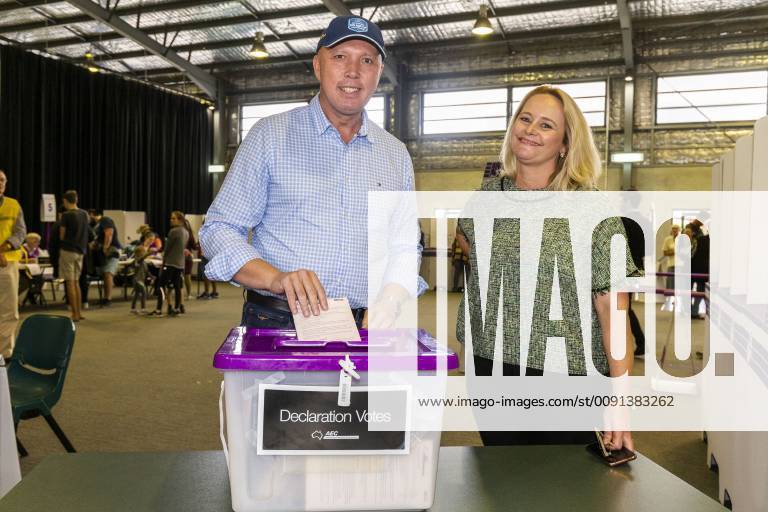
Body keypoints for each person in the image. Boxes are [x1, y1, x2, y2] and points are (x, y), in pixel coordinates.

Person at [200, 15, 423, 329]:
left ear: (379, 72)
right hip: (280, 319)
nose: (353, 72)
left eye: (367, 60)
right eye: (340, 57)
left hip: (367, 327)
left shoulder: (395, 154)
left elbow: (405, 246)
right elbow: (219, 229)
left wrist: (391, 297)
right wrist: (275, 277)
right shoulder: (270, 136)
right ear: (318, 65)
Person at [456, 85, 638, 450]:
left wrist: (620, 402)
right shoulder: (486, 198)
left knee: (565, 489)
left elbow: (612, 312)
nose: (530, 130)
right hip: (490, 368)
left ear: (566, 144)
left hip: (566, 374)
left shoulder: (592, 209)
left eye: (546, 125)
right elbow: (467, 243)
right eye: (524, 119)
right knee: (503, 482)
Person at [0, 170, 27, 361]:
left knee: (9, 310)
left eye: (1, 180)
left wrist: (6, 247)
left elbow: (20, 233)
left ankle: (5, 353)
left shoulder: (13, 205)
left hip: (7, 264)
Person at [148, 211, 189, 317]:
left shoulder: (173, 231)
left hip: (171, 263)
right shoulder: (186, 232)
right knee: (177, 286)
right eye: (171, 218)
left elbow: (167, 249)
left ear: (180, 220)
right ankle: (176, 308)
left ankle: (158, 310)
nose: (171, 220)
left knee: (161, 286)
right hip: (180, 264)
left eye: (173, 218)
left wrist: (164, 261)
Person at [59, 190, 91, 322]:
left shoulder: (66, 215)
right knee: (77, 282)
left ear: (65, 201)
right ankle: (79, 312)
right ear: (76, 200)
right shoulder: (84, 214)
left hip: (68, 250)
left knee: (70, 283)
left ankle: (74, 314)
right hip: (81, 251)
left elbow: (62, 234)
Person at [89, 209, 122, 305]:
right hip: (103, 252)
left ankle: (108, 299)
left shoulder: (105, 220)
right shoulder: (96, 225)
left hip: (111, 250)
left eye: (89, 216)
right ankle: (105, 297)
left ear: (92, 214)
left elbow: (109, 233)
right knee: (104, 274)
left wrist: (105, 248)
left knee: (108, 273)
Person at [130, 245, 150, 315]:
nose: (144, 253)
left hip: (141, 280)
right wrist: (149, 253)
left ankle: (133, 308)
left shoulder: (144, 263)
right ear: (138, 253)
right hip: (137, 280)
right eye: (143, 252)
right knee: (144, 292)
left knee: (137, 294)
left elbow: (147, 271)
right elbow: (142, 258)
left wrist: (151, 276)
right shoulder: (137, 261)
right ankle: (143, 308)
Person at [182, 218, 198, 301]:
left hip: (185, 258)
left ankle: (188, 294)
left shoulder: (184, 234)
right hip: (186, 257)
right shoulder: (189, 234)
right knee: (187, 276)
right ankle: (188, 294)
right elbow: (194, 247)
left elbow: (194, 247)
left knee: (186, 276)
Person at [451, 227, 469, 292]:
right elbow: (453, 248)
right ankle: (454, 288)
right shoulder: (457, 239)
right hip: (457, 258)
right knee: (457, 274)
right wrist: (453, 258)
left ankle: (467, 290)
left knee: (467, 274)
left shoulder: (469, 239)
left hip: (465, 258)